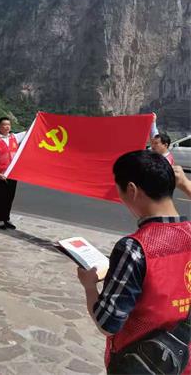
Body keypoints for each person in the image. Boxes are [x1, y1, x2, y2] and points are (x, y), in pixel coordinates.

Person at [77, 150, 191, 372]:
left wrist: (89, 286)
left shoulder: (134, 249)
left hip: (141, 363)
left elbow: (107, 324)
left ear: (131, 190)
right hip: (181, 360)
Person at [0, 117, 26, 230]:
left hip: (13, 174)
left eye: (9, 125)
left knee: (10, 197)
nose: (7, 127)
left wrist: (37, 118)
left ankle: (6, 218)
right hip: (1, 174)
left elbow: (29, 132)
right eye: (4, 125)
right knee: (1, 197)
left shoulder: (14, 137)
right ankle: (0, 219)